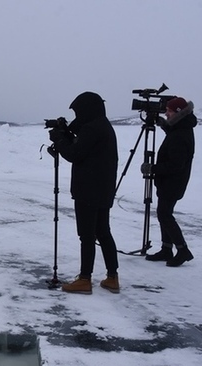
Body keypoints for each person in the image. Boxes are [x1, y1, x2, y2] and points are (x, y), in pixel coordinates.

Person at [50, 91, 120, 294]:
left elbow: (74, 153)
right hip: (102, 189)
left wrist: (60, 140)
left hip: (89, 190)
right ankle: (112, 276)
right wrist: (67, 132)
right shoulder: (102, 126)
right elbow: (83, 146)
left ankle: (84, 279)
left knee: (87, 235)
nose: (77, 117)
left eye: (78, 112)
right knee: (103, 232)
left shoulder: (92, 128)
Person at [141, 96, 196, 267]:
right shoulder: (181, 127)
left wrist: (153, 168)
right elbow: (173, 132)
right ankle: (166, 249)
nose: (166, 114)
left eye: (169, 112)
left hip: (173, 181)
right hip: (171, 181)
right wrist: (163, 124)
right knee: (163, 213)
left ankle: (183, 250)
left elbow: (174, 165)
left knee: (165, 214)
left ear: (178, 113)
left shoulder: (180, 135)